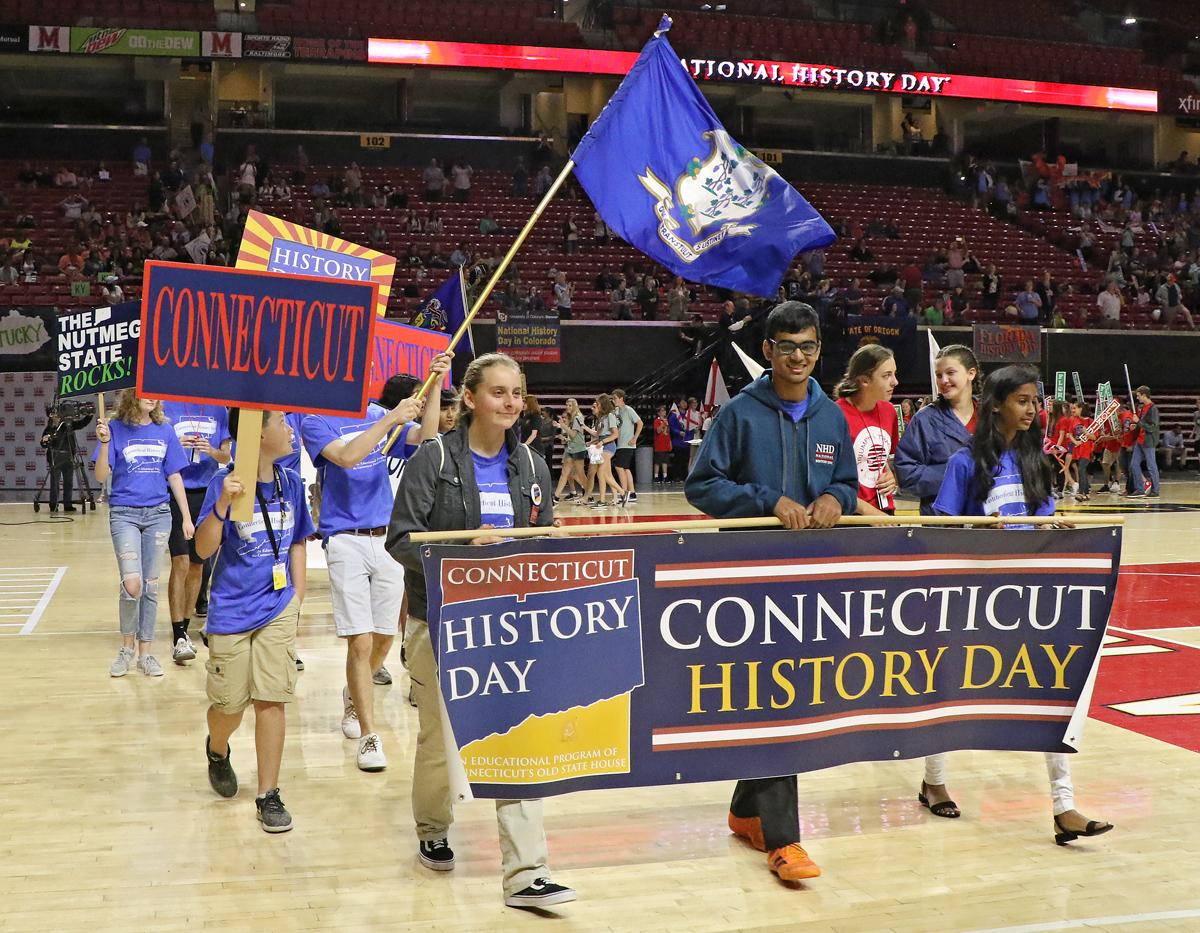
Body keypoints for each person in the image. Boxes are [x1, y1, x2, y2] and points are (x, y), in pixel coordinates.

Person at [386, 353, 577, 909]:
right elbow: (401, 540)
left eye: (517, 393)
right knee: (440, 743)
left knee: (521, 736)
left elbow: (539, 534)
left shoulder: (534, 467)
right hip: (441, 622)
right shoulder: (433, 460)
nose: (511, 403)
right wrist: (458, 557)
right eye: (498, 392)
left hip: (513, 623)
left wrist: (552, 542)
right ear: (469, 398)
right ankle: (431, 828)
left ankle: (526, 873)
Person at [685, 301, 857, 883]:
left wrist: (837, 498)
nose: (799, 357)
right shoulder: (738, 415)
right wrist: (766, 500)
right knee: (777, 696)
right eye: (787, 347)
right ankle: (784, 842)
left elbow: (847, 482)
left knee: (788, 695)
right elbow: (701, 485)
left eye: (808, 347)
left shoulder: (832, 417)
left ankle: (745, 810)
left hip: (814, 581)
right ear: (768, 351)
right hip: (749, 580)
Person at [932, 365, 1113, 846]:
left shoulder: (1038, 461)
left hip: (1027, 594)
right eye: (1022, 401)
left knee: (1053, 688)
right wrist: (976, 528)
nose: (1032, 409)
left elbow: (1042, 518)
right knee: (950, 686)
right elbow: (939, 528)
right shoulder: (964, 463)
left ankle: (1064, 807)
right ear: (995, 405)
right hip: (972, 594)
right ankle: (933, 780)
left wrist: (1056, 528)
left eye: (1035, 401)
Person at [300, 355, 450, 771]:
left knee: (385, 637)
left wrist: (434, 387)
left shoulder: (375, 412)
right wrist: (389, 421)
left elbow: (427, 435)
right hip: (344, 539)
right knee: (360, 640)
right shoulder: (314, 419)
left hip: (386, 537)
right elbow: (347, 457)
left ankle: (353, 692)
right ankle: (368, 733)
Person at [196, 409, 314, 833]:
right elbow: (205, 549)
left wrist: (296, 597)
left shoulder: (292, 483)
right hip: (230, 610)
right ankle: (217, 747)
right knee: (230, 704)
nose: (289, 429)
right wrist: (224, 504)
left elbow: (299, 540)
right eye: (281, 424)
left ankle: (269, 794)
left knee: (272, 698)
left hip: (278, 606)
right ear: (257, 435)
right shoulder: (221, 484)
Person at [94, 390, 193, 678]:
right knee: (132, 584)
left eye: (154, 395)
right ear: (131, 397)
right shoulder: (113, 429)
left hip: (159, 515)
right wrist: (103, 445)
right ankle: (126, 649)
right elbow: (101, 476)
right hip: (124, 513)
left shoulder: (165, 430)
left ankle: (145, 654)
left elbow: (174, 475)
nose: (151, 399)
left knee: (150, 585)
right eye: (145, 394)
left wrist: (185, 517)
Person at [162, 401, 232, 665]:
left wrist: (211, 451)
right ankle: (178, 631)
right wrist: (175, 444)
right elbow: (160, 447)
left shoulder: (217, 409)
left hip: (207, 490)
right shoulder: (168, 406)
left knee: (197, 564)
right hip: (175, 489)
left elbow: (226, 456)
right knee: (179, 561)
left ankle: (187, 625)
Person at [834, 345, 900, 516]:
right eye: (886, 376)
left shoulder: (889, 411)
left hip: (885, 510)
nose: (895, 382)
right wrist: (869, 512)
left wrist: (892, 476)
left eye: (894, 374)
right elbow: (827, 479)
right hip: (850, 514)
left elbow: (886, 459)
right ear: (864, 380)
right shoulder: (835, 415)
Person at [40, 404, 90, 512]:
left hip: (68, 458)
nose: (56, 416)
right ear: (50, 416)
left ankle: (68, 504)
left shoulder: (68, 425)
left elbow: (81, 424)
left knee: (69, 482)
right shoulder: (49, 428)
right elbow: (43, 444)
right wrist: (44, 440)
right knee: (55, 483)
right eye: (53, 414)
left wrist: (89, 415)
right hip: (55, 458)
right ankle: (53, 505)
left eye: (57, 414)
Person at [1127, 385, 1161, 498]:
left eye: (1138, 395)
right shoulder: (1143, 408)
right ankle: (1139, 489)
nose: (1137, 398)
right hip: (1140, 441)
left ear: (1144, 395)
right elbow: (1141, 424)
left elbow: (1152, 427)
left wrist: (1139, 422)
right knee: (1133, 464)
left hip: (1149, 442)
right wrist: (1135, 425)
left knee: (1151, 465)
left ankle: (1155, 490)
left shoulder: (1153, 409)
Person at [612, 389, 642, 506]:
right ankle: (632, 493)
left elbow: (640, 423)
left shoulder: (629, 410)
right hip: (620, 443)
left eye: (615, 398)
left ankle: (624, 493)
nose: (613, 400)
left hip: (627, 444)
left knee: (619, 467)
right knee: (625, 468)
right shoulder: (616, 411)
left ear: (621, 398)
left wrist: (635, 438)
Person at [553, 398, 587, 501]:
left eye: (570, 405)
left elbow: (573, 434)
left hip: (578, 448)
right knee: (565, 473)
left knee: (580, 474)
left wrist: (562, 426)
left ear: (575, 406)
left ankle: (588, 494)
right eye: (566, 405)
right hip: (570, 448)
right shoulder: (572, 418)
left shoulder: (578, 417)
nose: (567, 407)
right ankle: (556, 496)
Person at [652, 404, 672, 484]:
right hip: (659, 445)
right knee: (657, 461)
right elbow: (658, 431)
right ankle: (656, 476)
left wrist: (670, 443)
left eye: (665, 410)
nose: (664, 412)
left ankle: (665, 476)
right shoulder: (657, 421)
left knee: (665, 461)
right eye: (662, 411)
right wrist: (663, 423)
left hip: (666, 444)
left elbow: (668, 433)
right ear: (659, 413)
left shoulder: (667, 420)